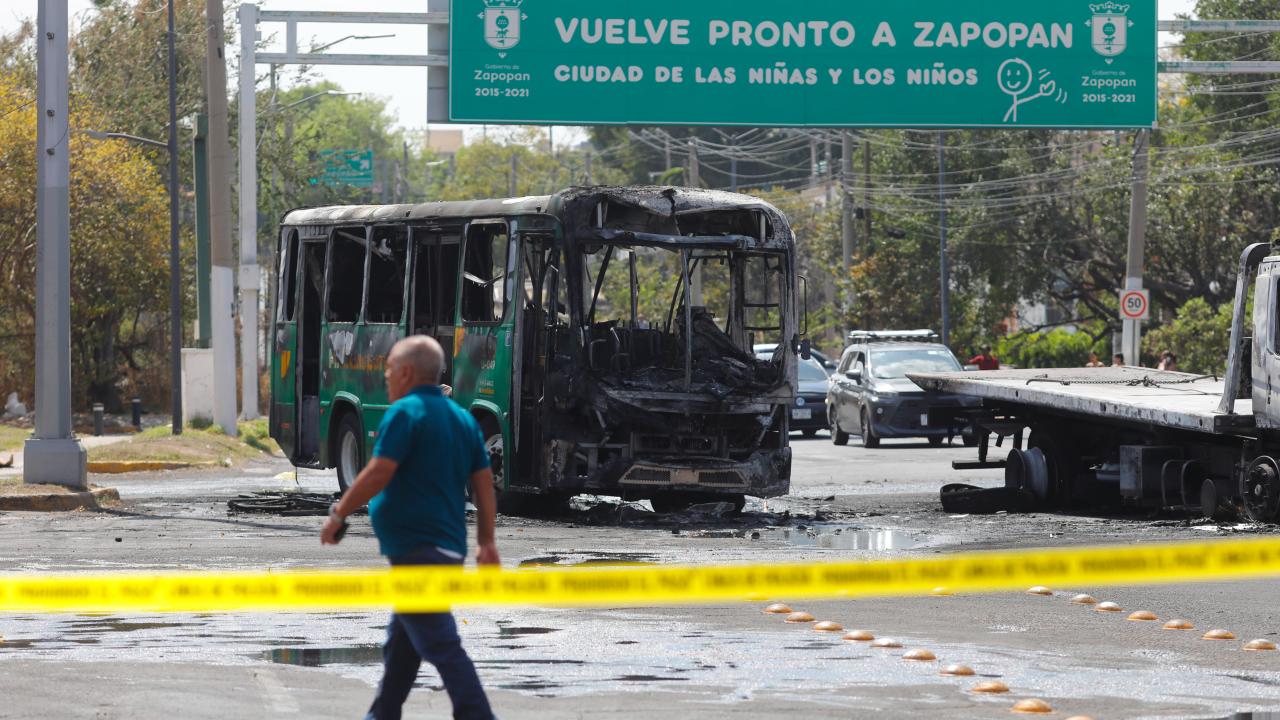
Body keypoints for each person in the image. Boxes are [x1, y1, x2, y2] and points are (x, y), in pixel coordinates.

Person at [321, 335, 499, 720]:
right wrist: (486, 542)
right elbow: (484, 484)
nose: (385, 378)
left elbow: (378, 472)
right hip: (445, 548)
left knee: (440, 644)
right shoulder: (461, 418)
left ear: (405, 373)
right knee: (401, 646)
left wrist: (339, 514)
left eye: (388, 370)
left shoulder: (406, 413)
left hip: (419, 550)